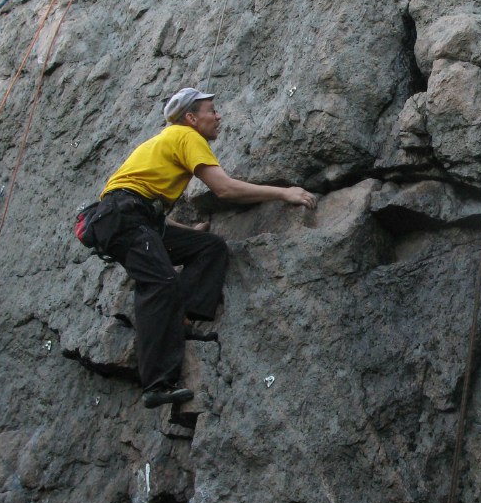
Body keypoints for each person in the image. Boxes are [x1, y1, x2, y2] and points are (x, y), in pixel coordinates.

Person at [86, 87, 316, 408]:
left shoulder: (166, 140)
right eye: (212, 109)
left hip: (125, 218)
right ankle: (156, 383)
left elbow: (144, 211)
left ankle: (182, 320)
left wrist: (185, 232)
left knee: (208, 247)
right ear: (192, 118)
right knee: (159, 283)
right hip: (125, 218)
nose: (218, 115)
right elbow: (223, 188)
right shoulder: (187, 136)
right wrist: (283, 194)